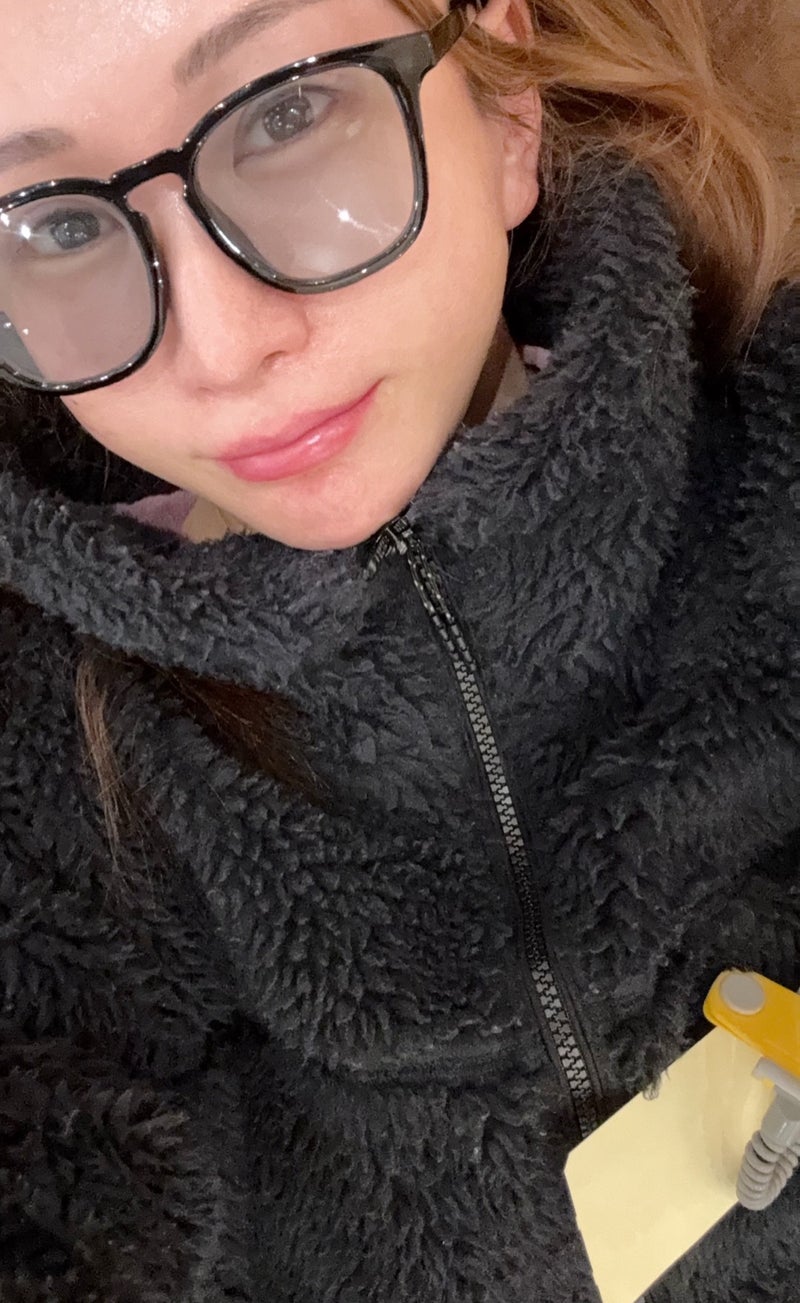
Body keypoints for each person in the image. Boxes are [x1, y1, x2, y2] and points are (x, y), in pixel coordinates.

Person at [0, 0, 796, 1298]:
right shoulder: (47, 727)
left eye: (287, 115)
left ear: (505, 101)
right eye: (56, 226)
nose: (224, 346)